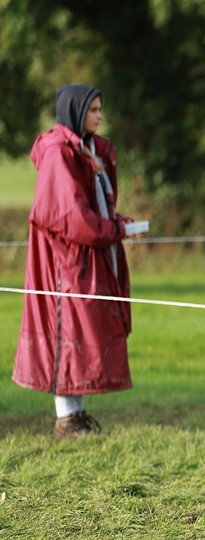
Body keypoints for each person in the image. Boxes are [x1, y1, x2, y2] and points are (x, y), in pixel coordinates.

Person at [13, 84, 137, 438]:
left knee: (83, 331)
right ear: (76, 111)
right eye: (94, 109)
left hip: (85, 258)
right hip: (64, 264)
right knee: (65, 330)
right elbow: (71, 217)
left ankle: (77, 413)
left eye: (100, 108)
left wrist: (119, 224)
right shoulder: (58, 153)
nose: (100, 115)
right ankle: (65, 418)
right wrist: (113, 229)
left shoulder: (86, 150)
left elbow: (94, 207)